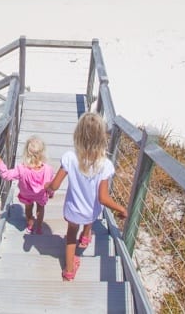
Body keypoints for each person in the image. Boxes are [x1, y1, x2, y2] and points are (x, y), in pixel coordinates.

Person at [45, 112, 127, 281]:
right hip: (91, 211)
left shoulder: (70, 158)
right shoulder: (104, 165)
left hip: (73, 210)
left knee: (70, 237)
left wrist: (48, 188)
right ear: (102, 138)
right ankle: (86, 235)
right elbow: (103, 198)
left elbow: (55, 185)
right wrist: (121, 208)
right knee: (90, 210)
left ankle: (68, 270)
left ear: (78, 135)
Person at [0, 136, 54, 234]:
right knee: (40, 208)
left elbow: (6, 175)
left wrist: (0, 161)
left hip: (27, 194)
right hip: (41, 194)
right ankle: (39, 227)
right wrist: (51, 193)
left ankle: (30, 226)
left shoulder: (22, 169)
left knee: (28, 209)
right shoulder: (48, 169)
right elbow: (49, 184)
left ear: (26, 152)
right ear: (43, 152)